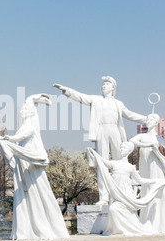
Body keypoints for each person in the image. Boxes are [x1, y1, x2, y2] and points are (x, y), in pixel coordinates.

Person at [53, 77, 147, 205]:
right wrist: (66, 90)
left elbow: (130, 114)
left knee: (120, 163)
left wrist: (146, 119)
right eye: (102, 84)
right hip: (102, 131)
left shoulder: (118, 103)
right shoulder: (96, 100)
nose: (103, 86)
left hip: (115, 131)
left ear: (113, 87)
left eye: (106, 84)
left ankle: (121, 194)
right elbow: (81, 97)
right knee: (102, 164)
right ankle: (104, 197)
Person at [0, 94, 70, 240]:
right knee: (25, 194)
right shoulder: (26, 123)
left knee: (34, 192)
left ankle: (41, 226)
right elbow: (29, 99)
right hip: (23, 161)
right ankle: (26, 228)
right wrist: (41, 98)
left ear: (31, 112)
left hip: (30, 162)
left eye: (25, 109)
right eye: (22, 109)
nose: (21, 111)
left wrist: (9, 138)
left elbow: (22, 136)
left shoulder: (30, 125)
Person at [87, 142, 165, 236]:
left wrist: (154, 181)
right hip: (117, 194)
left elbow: (140, 180)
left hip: (127, 194)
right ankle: (119, 229)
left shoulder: (130, 167)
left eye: (124, 148)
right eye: (121, 148)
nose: (121, 149)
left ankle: (127, 229)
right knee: (113, 208)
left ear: (129, 151)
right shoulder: (115, 163)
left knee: (116, 209)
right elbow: (104, 162)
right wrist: (94, 153)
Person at [129, 113, 165, 234]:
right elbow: (132, 141)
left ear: (156, 122)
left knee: (158, 190)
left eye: (151, 120)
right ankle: (147, 219)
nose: (148, 121)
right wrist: (146, 145)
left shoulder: (158, 138)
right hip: (145, 168)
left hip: (155, 167)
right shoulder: (142, 136)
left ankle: (162, 222)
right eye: (147, 119)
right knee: (146, 189)